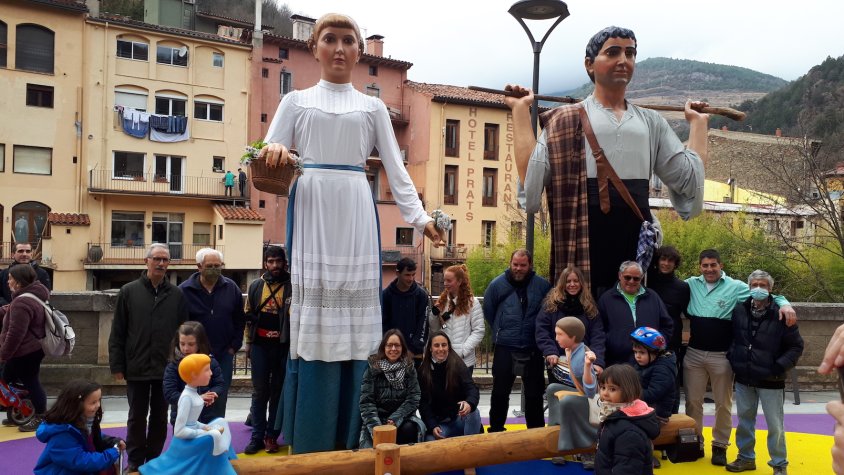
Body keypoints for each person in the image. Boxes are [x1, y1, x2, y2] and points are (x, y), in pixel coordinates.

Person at [259, 12, 445, 454]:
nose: (340, 48)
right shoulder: (294, 102)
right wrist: (276, 150)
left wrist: (421, 220)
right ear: (315, 47)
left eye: (348, 40)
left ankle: (354, 437)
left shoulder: (373, 106)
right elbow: (263, 157)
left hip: (355, 205)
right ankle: (311, 437)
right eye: (330, 39)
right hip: (313, 206)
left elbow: (397, 173)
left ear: (359, 51)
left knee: (355, 315)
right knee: (318, 310)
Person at [507, 26, 708, 299]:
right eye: (613, 52)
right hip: (582, 233)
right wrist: (520, 112)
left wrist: (698, 125)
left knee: (628, 325)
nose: (623, 60)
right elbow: (532, 178)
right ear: (590, 64)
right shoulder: (565, 119)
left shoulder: (651, 122)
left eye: (630, 53)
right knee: (579, 323)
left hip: (633, 237)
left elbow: (689, 179)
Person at [683, 249, 796, 466]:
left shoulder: (736, 287)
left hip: (722, 356)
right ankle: (695, 441)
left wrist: (785, 303)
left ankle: (720, 446)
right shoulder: (690, 285)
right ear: (700, 267)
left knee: (723, 403)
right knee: (693, 402)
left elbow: (765, 293)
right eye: (705, 265)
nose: (709, 269)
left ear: (720, 265)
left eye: (713, 265)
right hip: (694, 354)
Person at [108, 243, 188, 472]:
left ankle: (154, 458)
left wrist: (180, 363)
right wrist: (117, 365)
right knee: (136, 416)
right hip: (136, 365)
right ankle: (134, 459)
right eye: (157, 259)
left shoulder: (177, 294)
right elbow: (118, 331)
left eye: (165, 260)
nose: (161, 264)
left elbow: (184, 331)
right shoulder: (128, 291)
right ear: (147, 261)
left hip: (166, 367)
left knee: (160, 416)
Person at [726, 270, 803, 475]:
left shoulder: (782, 313)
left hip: (772, 379)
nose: (758, 289)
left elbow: (796, 346)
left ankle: (779, 464)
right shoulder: (740, 310)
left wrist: (778, 366)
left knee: (775, 425)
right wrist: (733, 357)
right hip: (744, 377)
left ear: (770, 289)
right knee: (744, 422)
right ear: (749, 287)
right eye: (754, 285)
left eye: (763, 285)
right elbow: (733, 338)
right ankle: (745, 458)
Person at [482, 249, 550, 432]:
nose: (518, 268)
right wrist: (502, 329)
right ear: (510, 264)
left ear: (530, 266)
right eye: (515, 264)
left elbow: (548, 313)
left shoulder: (543, 286)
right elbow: (489, 310)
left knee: (534, 395)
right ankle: (496, 429)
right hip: (505, 345)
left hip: (533, 346)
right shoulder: (496, 285)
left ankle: (535, 434)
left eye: (523, 265)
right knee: (499, 393)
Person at [139, 354, 236, 475]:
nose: (211, 373)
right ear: (194, 375)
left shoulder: (193, 394)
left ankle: (226, 459)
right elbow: (179, 431)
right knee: (214, 435)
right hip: (185, 441)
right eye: (207, 370)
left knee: (221, 422)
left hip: (193, 432)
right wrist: (204, 432)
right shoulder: (186, 398)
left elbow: (192, 421)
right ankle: (219, 468)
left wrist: (204, 427)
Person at [178, 248, 245, 419]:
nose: (214, 269)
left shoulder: (232, 288)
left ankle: (217, 436)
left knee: (219, 398)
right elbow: (178, 324)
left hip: (223, 354)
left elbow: (239, 319)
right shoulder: (184, 291)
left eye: (218, 265)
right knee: (194, 397)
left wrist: (234, 346)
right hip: (194, 356)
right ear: (199, 266)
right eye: (210, 265)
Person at [243, 245, 291, 454]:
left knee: (278, 392)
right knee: (259, 392)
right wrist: (248, 344)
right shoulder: (255, 286)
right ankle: (257, 437)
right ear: (265, 264)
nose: (274, 265)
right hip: (260, 347)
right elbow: (248, 316)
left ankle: (272, 435)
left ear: (284, 263)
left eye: (278, 261)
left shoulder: (293, 286)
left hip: (282, 347)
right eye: (270, 262)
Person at [33, 380, 125, 475]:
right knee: (108, 464)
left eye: (99, 400)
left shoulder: (83, 421)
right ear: (76, 405)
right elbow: (81, 461)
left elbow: (91, 437)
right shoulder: (62, 434)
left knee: (110, 467)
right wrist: (112, 453)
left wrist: (112, 441)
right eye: (93, 402)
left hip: (75, 469)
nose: (98, 405)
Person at [0, 264, 49, 432]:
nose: (8, 281)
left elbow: (16, 333)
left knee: (31, 382)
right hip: (30, 349)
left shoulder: (22, 302)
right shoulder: (31, 295)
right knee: (7, 379)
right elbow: (14, 310)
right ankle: (21, 410)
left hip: (25, 351)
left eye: (10, 278)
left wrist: (3, 354)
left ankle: (41, 416)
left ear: (19, 282)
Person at [597, 261, 673, 367]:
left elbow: (667, 325)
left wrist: (657, 345)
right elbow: (599, 330)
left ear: (641, 278)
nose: (631, 281)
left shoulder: (652, 297)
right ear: (620, 275)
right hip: (617, 363)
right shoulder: (606, 299)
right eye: (627, 277)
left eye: (636, 278)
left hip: (650, 363)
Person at [544, 317, 598, 466]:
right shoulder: (570, 350)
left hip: (592, 401)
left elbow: (591, 392)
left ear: (573, 336)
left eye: (560, 334)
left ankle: (586, 448)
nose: (556, 339)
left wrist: (587, 367)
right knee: (553, 389)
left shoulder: (582, 358)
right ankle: (557, 432)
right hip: (582, 395)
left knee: (567, 400)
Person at [536, 265, 606, 379]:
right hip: (558, 362)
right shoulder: (550, 305)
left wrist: (597, 361)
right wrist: (550, 351)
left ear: (581, 283)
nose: (572, 284)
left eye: (576, 281)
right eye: (568, 281)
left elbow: (598, 336)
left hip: (584, 364)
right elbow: (541, 330)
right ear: (562, 283)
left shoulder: (590, 307)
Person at [358, 329, 425, 447]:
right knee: (370, 454)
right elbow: (366, 403)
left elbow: (414, 398)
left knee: (410, 430)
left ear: (402, 348)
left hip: (401, 419)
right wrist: (377, 428)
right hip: (377, 420)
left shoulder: (409, 368)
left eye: (397, 345)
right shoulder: (372, 369)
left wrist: (395, 419)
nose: (393, 349)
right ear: (384, 347)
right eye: (389, 345)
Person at [594, 364, 660, 475]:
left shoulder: (629, 432)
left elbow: (627, 467)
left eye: (612, 389)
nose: (605, 393)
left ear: (628, 390)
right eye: (603, 387)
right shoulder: (614, 416)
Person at [646, 245, 689, 413]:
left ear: (675, 264)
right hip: (647, 342)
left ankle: (671, 417)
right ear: (657, 261)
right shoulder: (647, 281)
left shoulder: (682, 287)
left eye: (670, 260)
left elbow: (686, 313)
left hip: (670, 343)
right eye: (663, 259)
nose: (666, 263)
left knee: (671, 382)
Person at [417, 331, 481, 440]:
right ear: (430, 348)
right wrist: (432, 426)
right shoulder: (423, 371)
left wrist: (469, 403)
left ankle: (470, 450)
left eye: (444, 345)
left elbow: (472, 389)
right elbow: (423, 404)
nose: (441, 349)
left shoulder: (458, 365)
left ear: (448, 347)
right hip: (440, 424)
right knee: (430, 443)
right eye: (436, 345)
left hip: (459, 419)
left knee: (474, 412)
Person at [162, 322, 225, 428]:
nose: (186, 348)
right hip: (182, 419)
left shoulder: (209, 361)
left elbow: (219, 383)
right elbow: (169, 393)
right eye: (182, 344)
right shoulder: (174, 365)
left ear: (200, 343)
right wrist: (197, 399)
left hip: (207, 416)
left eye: (191, 344)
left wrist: (212, 394)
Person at [430, 264, 485, 371]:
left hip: (464, 362)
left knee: (462, 388)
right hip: (442, 359)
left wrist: (463, 351)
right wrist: (434, 315)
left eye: (449, 281)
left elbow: (479, 331)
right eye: (444, 280)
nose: (445, 284)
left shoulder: (473, 303)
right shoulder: (442, 301)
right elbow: (435, 329)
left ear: (459, 282)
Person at [382, 257, 430, 364]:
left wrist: (413, 350)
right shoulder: (386, 295)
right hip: (391, 352)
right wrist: (390, 347)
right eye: (407, 275)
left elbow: (423, 324)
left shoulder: (421, 296)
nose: (411, 278)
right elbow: (383, 324)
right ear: (397, 273)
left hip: (414, 354)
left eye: (413, 274)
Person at [630, 326, 676, 423]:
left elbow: (652, 395)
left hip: (657, 415)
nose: (637, 356)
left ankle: (707, 435)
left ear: (655, 352)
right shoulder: (644, 364)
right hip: (645, 410)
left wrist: (628, 393)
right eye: (635, 352)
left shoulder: (663, 369)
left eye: (642, 352)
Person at [0, 242, 52, 306]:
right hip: (6, 313)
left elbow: (45, 295)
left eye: (28, 251)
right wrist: (10, 307)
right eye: (20, 251)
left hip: (33, 313)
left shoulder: (42, 273)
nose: (24, 254)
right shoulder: (3, 274)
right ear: (13, 254)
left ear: (31, 254)